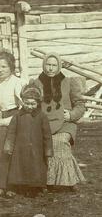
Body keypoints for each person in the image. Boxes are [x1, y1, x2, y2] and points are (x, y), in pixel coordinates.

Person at [34, 53, 86, 191]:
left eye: (53, 65)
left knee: (59, 141)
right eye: (48, 65)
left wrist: (71, 115)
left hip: (65, 123)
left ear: (59, 66)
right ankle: (45, 181)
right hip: (43, 124)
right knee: (41, 142)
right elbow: (32, 104)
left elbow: (80, 104)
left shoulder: (69, 82)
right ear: (43, 65)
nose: (50, 68)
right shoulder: (36, 83)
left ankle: (70, 180)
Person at [4, 81, 53, 197]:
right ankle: (14, 186)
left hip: (36, 149)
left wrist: (48, 151)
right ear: (23, 102)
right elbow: (11, 132)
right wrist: (8, 147)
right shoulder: (17, 116)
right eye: (27, 103)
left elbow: (47, 135)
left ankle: (35, 187)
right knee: (17, 168)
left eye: (33, 104)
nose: (29, 106)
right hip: (19, 150)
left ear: (38, 103)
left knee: (36, 168)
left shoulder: (42, 116)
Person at [0, 52, 25, 197]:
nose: (0, 70)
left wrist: (7, 121)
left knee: (12, 144)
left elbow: (24, 108)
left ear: (11, 67)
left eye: (4, 66)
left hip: (17, 118)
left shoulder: (18, 82)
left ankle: (13, 184)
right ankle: (0, 183)